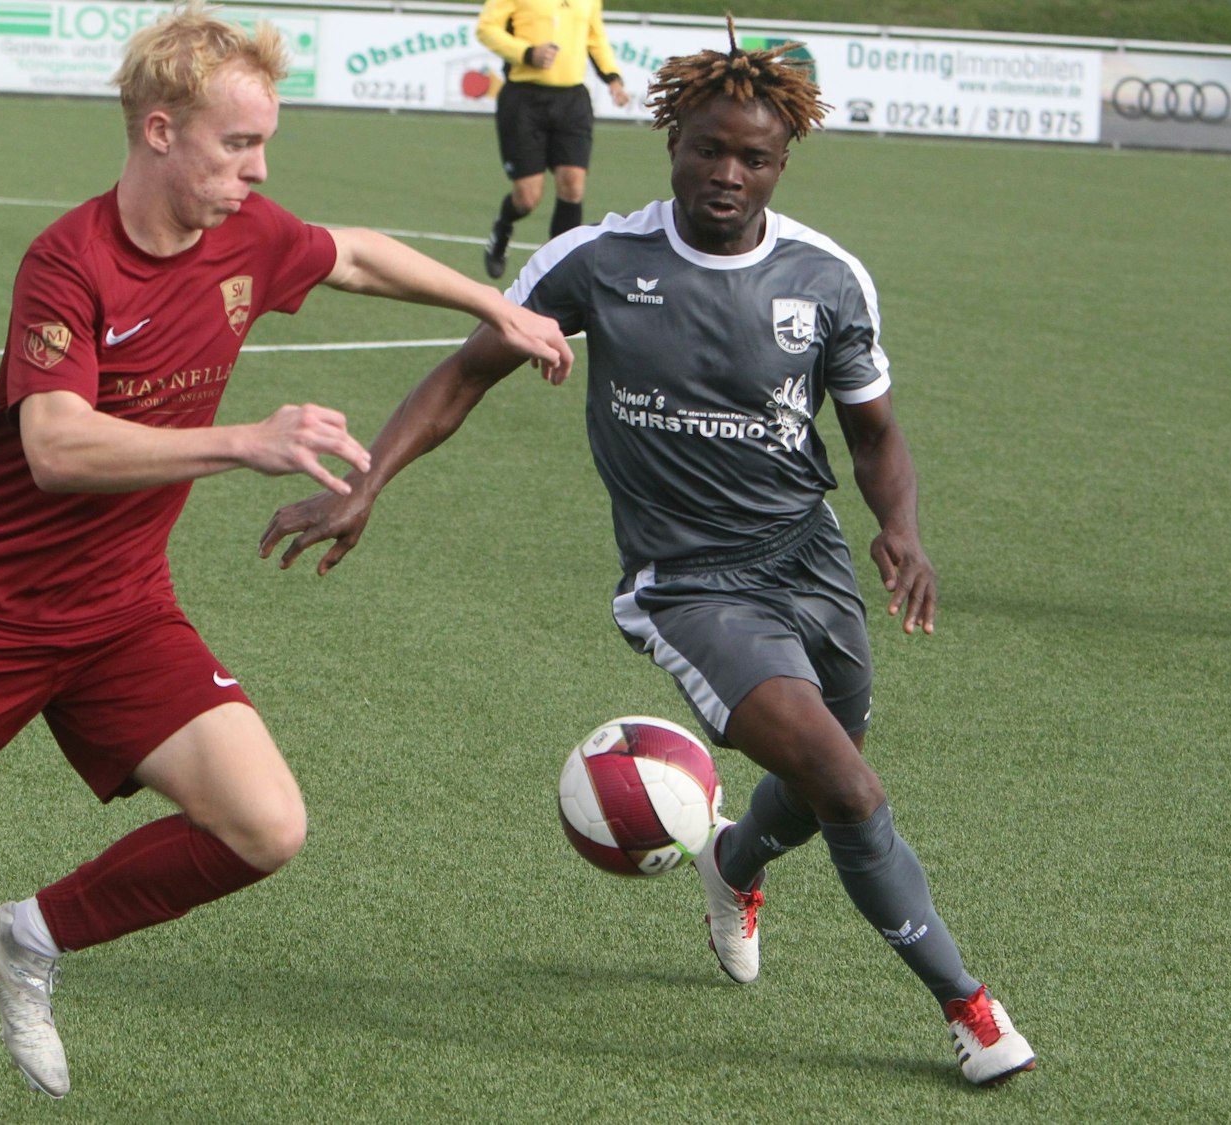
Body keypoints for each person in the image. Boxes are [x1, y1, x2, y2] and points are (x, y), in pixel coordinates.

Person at [0, 5, 574, 1122]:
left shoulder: (250, 235)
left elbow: (353, 253)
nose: (257, 171)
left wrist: (491, 304)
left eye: (264, 145)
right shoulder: (68, 262)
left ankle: (23, 939)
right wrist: (241, 440)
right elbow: (56, 447)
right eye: (237, 145)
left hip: (120, 613)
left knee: (264, 826)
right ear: (160, 131)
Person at [261, 32, 1036, 1086]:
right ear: (671, 141)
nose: (726, 174)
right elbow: (462, 375)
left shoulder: (827, 278)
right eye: (707, 150)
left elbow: (872, 433)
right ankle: (968, 1007)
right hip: (686, 586)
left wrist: (898, 527)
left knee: (815, 785)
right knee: (848, 788)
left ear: (781, 165)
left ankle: (729, 860)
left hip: (809, 564)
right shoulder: (599, 264)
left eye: (752, 159)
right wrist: (368, 484)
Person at [475, 0, 632, 279]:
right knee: (527, 198)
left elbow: (595, 37)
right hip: (523, 101)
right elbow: (486, 29)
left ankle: (558, 271)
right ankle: (503, 226)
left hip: (572, 101)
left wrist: (613, 78)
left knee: (573, 185)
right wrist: (526, 53)